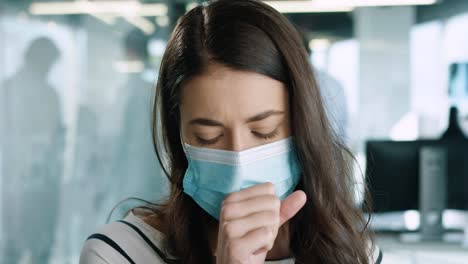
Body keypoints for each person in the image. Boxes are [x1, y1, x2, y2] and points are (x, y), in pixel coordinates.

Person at [80, 0, 382, 263]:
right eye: (207, 138)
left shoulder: (354, 253)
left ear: (303, 126)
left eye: (265, 131)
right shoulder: (120, 253)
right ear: (179, 139)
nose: (239, 160)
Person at [1, 37, 64, 263]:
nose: (49, 70)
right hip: (22, 182)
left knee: (30, 243)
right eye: (48, 64)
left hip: (36, 181)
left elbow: (56, 139)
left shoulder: (46, 93)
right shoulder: (11, 91)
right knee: (21, 243)